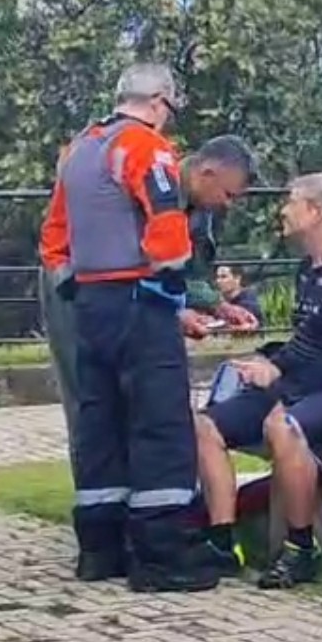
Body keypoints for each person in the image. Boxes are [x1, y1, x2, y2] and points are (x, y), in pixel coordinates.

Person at [53, 62, 259, 592]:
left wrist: (77, 289)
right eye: (169, 109)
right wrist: (169, 300)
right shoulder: (147, 149)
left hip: (90, 306)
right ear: (159, 101)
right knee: (161, 426)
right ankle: (160, 557)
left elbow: (54, 236)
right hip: (138, 307)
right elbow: (167, 232)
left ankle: (100, 548)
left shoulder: (80, 150)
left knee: (101, 422)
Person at [38, 130, 260, 513]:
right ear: (207, 172)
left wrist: (217, 306)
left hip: (134, 297)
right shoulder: (154, 184)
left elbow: (184, 269)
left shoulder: (198, 212)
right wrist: (174, 312)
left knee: (143, 400)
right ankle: (107, 512)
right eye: (229, 195)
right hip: (81, 289)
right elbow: (133, 263)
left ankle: (140, 509)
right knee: (92, 402)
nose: (229, 205)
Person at [194, 172, 322, 587]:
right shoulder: (308, 267)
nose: (282, 208)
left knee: (282, 426)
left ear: (316, 212)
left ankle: (301, 549)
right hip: (305, 381)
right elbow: (305, 340)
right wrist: (271, 365)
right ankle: (221, 543)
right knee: (204, 425)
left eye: (291, 200)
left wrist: (280, 379)